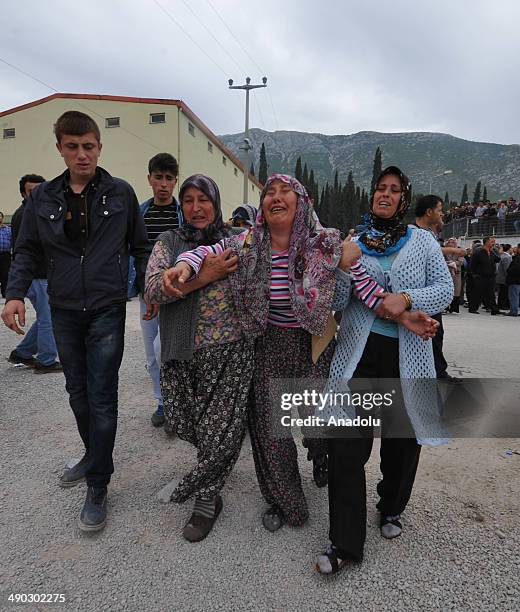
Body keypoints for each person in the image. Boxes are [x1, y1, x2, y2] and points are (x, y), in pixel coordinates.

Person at [167, 173, 439, 535]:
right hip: (267, 344)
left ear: (302, 201)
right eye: (269, 193)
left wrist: (404, 315)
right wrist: (185, 264)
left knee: (319, 424)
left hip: (314, 342)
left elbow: (363, 285)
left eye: (286, 192)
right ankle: (285, 500)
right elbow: (206, 251)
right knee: (271, 433)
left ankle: (322, 459)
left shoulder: (324, 242)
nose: (276, 197)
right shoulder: (248, 242)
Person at [1, 111, 149, 533]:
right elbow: (26, 250)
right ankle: (93, 456)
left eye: (88, 145)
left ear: (99, 147)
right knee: (76, 392)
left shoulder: (121, 194)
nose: (81, 154)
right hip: (63, 308)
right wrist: (14, 294)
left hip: (106, 307)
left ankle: (98, 484)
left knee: (102, 396)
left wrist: (149, 294)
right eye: (72, 146)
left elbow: (140, 248)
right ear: (60, 149)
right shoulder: (42, 199)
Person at [315, 166, 453, 575]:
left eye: (394, 191)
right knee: (346, 446)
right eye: (380, 189)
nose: (386, 195)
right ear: (372, 196)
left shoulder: (423, 241)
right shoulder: (355, 242)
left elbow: (444, 290)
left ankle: (390, 507)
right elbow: (339, 301)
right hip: (358, 355)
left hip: (407, 357)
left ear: (404, 199)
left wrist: (406, 298)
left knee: (401, 443)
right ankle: (345, 542)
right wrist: (341, 266)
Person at [144, 174, 251, 542]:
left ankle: (205, 497)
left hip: (232, 349)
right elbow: (154, 287)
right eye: (188, 200)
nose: (196, 207)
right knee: (187, 423)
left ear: (216, 201)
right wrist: (204, 276)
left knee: (219, 429)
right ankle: (213, 466)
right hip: (182, 350)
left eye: (203, 198)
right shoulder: (169, 241)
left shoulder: (235, 240)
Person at [129, 153, 183, 427]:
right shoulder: (139, 213)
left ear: (175, 181)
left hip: (177, 294)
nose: (163, 184)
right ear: (149, 178)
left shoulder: (183, 214)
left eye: (169, 178)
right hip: (147, 295)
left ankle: (180, 403)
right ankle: (162, 403)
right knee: (152, 353)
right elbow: (132, 253)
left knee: (170, 349)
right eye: (158, 177)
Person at [7, 174, 62, 372]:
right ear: (23, 193)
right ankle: (46, 360)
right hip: (37, 276)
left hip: (44, 275)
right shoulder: (25, 215)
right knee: (49, 318)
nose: (38, 194)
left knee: (45, 317)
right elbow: (27, 250)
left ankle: (22, 353)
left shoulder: (38, 212)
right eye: (32, 191)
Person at [414, 195, 463, 383]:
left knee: (436, 334)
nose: (442, 213)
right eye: (439, 209)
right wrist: (452, 251)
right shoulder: (414, 233)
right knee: (430, 335)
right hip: (421, 296)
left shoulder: (429, 234)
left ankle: (436, 371)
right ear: (429, 212)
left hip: (432, 296)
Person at [468, 236, 499, 314]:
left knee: (491, 293)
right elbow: (472, 264)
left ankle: (494, 309)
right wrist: (474, 275)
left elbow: (498, 259)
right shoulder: (478, 251)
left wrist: (494, 251)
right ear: (486, 242)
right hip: (480, 276)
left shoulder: (492, 252)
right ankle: (473, 308)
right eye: (492, 242)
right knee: (477, 293)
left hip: (491, 276)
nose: (493, 243)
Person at [444, 238, 465, 313]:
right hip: (446, 272)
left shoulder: (459, 251)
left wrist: (454, 263)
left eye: (453, 242)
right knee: (446, 290)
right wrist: (448, 263)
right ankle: (445, 307)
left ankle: (454, 308)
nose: (451, 243)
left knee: (456, 290)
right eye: (450, 242)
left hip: (456, 272)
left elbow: (461, 261)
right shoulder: (445, 251)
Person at [496, 244, 512, 310]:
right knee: (504, 293)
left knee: (502, 292)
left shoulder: (502, 256)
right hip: (504, 278)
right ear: (509, 249)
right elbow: (507, 269)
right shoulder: (507, 257)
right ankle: (503, 305)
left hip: (500, 277)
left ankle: (501, 304)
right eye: (511, 248)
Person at [505, 244, 520, 317]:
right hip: (517, 280)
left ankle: (513, 311)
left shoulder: (517, 258)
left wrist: (509, 270)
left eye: (517, 248)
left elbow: (515, 268)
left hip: (515, 280)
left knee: (513, 296)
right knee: (516, 295)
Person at [0, 211, 12, 298]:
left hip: (5, 255)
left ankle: (5, 293)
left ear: (2, 218)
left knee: (5, 274)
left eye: (0, 216)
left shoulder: (8, 229)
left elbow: (12, 241)